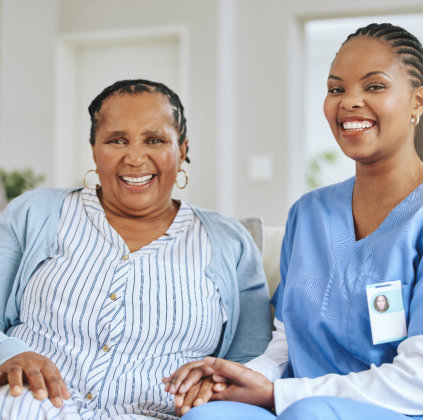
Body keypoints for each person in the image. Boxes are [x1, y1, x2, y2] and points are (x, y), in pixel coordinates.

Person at [163, 23, 423, 419]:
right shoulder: (309, 213)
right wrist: (240, 378)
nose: (349, 102)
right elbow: (288, 344)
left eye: (374, 87)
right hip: (298, 401)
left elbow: (422, 382)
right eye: (336, 89)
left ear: (418, 101)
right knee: (207, 415)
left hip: (411, 409)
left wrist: (283, 395)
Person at [0, 79, 271, 419]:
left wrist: (214, 385)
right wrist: (8, 352)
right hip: (25, 406)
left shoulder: (230, 242)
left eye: (154, 140)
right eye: (117, 140)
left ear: (182, 150)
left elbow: (251, 358)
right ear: (94, 150)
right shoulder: (34, 214)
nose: (135, 157)